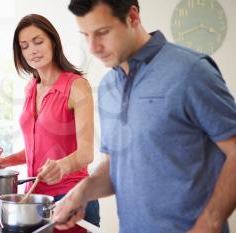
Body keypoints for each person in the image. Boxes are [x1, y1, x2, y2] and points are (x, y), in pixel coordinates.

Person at [52, 1, 236, 233]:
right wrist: (82, 192)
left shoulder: (191, 71)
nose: (93, 47)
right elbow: (116, 165)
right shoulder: (108, 86)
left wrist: (209, 223)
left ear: (132, 16)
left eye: (102, 32)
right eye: (85, 35)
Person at [0, 14, 100, 229]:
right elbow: (39, 149)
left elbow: (86, 154)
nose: (32, 50)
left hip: (73, 198)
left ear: (53, 43)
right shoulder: (30, 88)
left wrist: (61, 166)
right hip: (35, 200)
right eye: (25, 46)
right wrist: (5, 161)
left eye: (38, 42)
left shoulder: (77, 86)